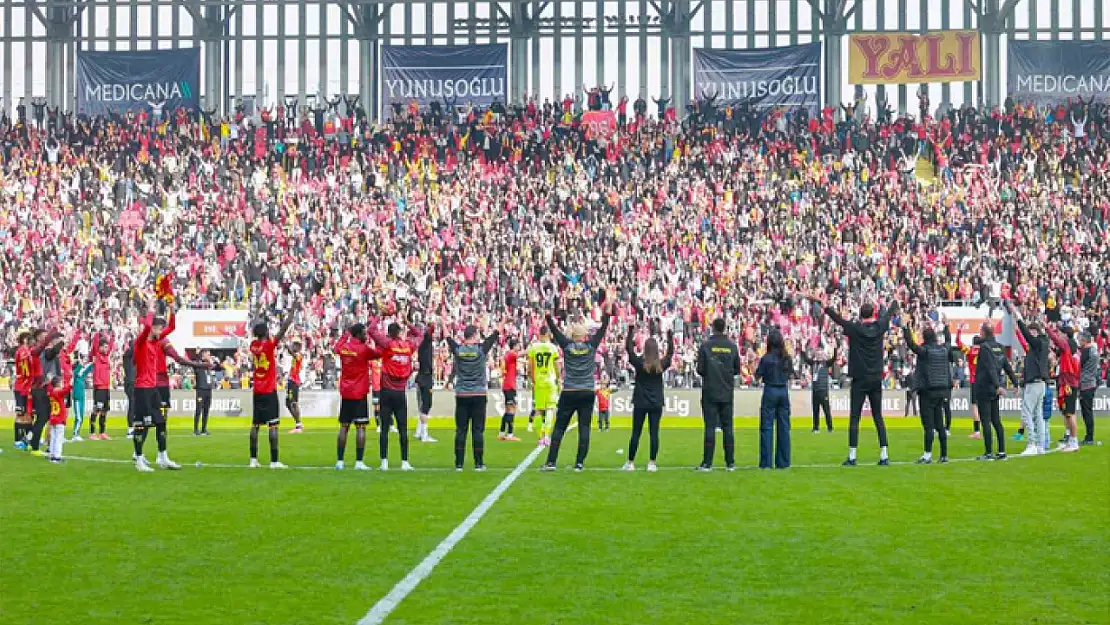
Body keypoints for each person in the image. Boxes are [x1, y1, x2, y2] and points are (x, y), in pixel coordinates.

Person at [825, 300, 898, 466]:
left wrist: (826, 307)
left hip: (859, 378)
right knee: (878, 416)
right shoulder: (880, 326)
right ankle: (884, 454)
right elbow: (889, 314)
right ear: (873, 313)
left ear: (860, 314)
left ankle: (852, 456)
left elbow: (838, 319)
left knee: (855, 417)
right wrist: (894, 303)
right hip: (875, 377)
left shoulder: (855, 329)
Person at [541, 303, 612, 472]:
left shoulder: (567, 345)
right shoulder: (591, 345)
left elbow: (555, 332)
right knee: (584, 428)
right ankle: (579, 463)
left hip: (570, 390)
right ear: (585, 335)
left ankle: (551, 462)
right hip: (587, 391)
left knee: (559, 427)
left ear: (573, 335)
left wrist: (548, 317)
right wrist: (607, 313)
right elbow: (603, 329)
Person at [367, 314, 421, 471]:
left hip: (386, 391)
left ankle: (384, 461)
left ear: (389, 333)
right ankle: (405, 461)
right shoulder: (408, 346)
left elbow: (371, 330)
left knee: (384, 428)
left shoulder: (387, 344)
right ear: (399, 332)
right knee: (403, 428)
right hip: (400, 392)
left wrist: (379, 315)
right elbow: (419, 335)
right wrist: (408, 322)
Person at [446, 323, 500, 471]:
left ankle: (459, 464)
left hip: (462, 394)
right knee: (477, 430)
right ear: (475, 335)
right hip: (479, 394)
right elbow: (495, 335)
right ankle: (478, 463)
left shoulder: (458, 350)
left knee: (461, 430)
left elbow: (448, 337)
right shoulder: (480, 350)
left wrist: (444, 325)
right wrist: (503, 322)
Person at [131, 312, 180, 472]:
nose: (160, 332)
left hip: (153, 390)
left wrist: (172, 309)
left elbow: (172, 327)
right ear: (151, 328)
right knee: (142, 425)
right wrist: (150, 310)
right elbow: (145, 329)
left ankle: (163, 456)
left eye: (160, 329)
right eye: (157, 329)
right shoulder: (140, 343)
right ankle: (139, 459)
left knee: (161, 422)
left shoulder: (155, 342)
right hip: (142, 390)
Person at [248, 307, 296, 469]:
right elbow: (282, 330)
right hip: (269, 391)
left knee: (255, 425)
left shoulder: (253, 346)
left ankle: (253, 460)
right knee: (273, 425)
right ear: (264, 333)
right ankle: (274, 461)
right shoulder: (268, 345)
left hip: (257, 391)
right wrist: (291, 314)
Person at [903, 322, 956, 464]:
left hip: (927, 392)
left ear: (925, 338)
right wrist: (946, 327)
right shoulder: (943, 350)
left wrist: (905, 328)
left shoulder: (925, 351)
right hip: (942, 391)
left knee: (928, 426)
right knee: (940, 424)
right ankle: (944, 455)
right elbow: (949, 342)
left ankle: (927, 455)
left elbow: (911, 344)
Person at [622, 323, 674, 472]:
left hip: (640, 402)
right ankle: (652, 463)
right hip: (656, 402)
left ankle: (630, 462)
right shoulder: (661, 364)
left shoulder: (640, 364)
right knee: (654, 433)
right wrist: (670, 337)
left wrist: (631, 331)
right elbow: (670, 354)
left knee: (636, 433)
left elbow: (629, 350)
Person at [1004, 300, 1051, 456]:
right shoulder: (1043, 344)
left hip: (1035, 384)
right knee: (1037, 414)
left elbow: (1026, 334)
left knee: (1026, 412)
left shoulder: (1038, 344)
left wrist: (1017, 317)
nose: (1030, 335)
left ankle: (1032, 443)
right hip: (1041, 384)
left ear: (1036, 332)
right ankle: (1040, 445)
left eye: (1032, 332)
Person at [333, 324, 381, 470]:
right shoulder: (364, 349)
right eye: (364, 333)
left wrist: (345, 333)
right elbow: (379, 352)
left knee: (344, 427)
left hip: (346, 392)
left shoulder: (344, 347)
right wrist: (375, 336)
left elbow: (336, 348)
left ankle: (340, 461)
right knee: (361, 428)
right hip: (359, 393)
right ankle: (359, 462)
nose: (366, 335)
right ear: (359, 334)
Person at [696, 318, 740, 471]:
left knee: (710, 427)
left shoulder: (706, 346)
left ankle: (707, 463)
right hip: (727, 392)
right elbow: (737, 370)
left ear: (713, 328)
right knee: (728, 427)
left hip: (710, 391)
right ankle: (730, 462)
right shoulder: (732, 347)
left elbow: (700, 369)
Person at [972, 323, 1019, 460]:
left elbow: (989, 368)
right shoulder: (999, 347)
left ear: (983, 332)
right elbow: (1006, 366)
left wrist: (997, 385)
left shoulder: (985, 348)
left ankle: (988, 453)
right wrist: (1015, 382)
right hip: (994, 388)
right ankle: (1002, 451)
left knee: (986, 421)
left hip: (985, 387)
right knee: (996, 420)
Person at [755, 329, 794, 469]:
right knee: (784, 428)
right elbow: (791, 375)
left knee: (766, 427)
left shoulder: (766, 358)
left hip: (770, 390)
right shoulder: (786, 358)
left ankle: (766, 463)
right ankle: (783, 462)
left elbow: (757, 375)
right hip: (783, 391)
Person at [1046, 323, 1081, 452]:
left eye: (1061, 334)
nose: (1059, 336)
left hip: (1068, 384)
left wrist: (1047, 329)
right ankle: (1072, 440)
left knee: (1070, 414)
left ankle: (1074, 442)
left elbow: (1056, 340)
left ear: (1066, 336)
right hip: (1071, 382)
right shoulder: (1074, 349)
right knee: (1069, 414)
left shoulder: (1066, 347)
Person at [526, 326, 561, 447]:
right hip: (550, 381)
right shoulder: (552, 347)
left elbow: (530, 366)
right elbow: (556, 365)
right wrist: (558, 378)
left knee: (538, 410)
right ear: (548, 334)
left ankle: (540, 437)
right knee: (550, 408)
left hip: (539, 382)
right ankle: (546, 435)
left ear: (539, 334)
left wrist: (531, 378)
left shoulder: (533, 347)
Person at [955, 328, 983, 440]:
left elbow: (958, 341)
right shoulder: (985, 350)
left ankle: (977, 431)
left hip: (974, 380)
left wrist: (959, 329)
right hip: (984, 380)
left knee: (975, 406)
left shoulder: (970, 351)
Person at [802, 344, 836, 433]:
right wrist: (803, 348)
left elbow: (834, 359)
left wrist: (835, 348)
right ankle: (816, 428)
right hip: (815, 390)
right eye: (817, 353)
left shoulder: (826, 363)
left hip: (823, 390)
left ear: (823, 354)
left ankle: (830, 427)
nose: (819, 355)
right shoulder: (813, 363)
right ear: (816, 355)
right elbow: (805, 358)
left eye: (820, 353)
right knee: (815, 411)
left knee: (826, 410)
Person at [414, 321, 438, 443]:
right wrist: (433, 324)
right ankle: (424, 434)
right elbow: (429, 332)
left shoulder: (421, 345)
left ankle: (419, 432)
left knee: (422, 406)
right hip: (426, 378)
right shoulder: (426, 342)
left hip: (421, 378)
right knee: (426, 406)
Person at [90, 331, 115, 440]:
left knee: (104, 410)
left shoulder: (106, 356)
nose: (106, 349)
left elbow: (111, 346)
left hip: (106, 387)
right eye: (104, 347)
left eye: (107, 347)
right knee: (97, 409)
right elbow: (95, 343)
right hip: (99, 387)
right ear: (99, 347)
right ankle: (92, 433)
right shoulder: (97, 355)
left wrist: (113, 337)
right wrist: (98, 333)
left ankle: (102, 432)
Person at [1077, 332, 1099, 445]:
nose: (1078, 342)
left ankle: (1089, 437)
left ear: (1084, 341)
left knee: (1086, 412)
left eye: (1079, 340)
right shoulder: (1094, 350)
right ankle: (1089, 436)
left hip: (1085, 384)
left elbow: (1078, 366)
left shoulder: (1086, 351)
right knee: (1088, 411)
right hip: (1092, 383)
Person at [498, 338, 521, 441]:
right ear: (515, 345)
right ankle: (510, 434)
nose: (519, 347)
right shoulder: (511, 353)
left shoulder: (509, 355)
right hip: (509, 385)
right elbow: (521, 355)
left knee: (508, 409)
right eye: (518, 345)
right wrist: (532, 349)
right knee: (512, 408)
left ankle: (502, 433)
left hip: (508, 385)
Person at [13, 331, 33, 449]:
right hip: (21, 386)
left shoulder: (27, 351)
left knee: (27, 414)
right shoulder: (22, 351)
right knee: (20, 413)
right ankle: (18, 439)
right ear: (24, 340)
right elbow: (25, 370)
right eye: (28, 339)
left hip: (26, 386)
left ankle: (27, 438)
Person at [47, 376, 73, 463]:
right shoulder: (58, 392)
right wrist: (71, 382)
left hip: (53, 417)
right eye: (61, 382)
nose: (62, 384)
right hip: (59, 418)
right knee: (59, 438)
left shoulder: (51, 392)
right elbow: (67, 390)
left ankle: (51, 454)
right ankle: (57, 457)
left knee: (53, 437)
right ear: (58, 384)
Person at [193, 349, 217, 436]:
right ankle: (195, 430)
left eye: (209, 354)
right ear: (203, 355)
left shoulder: (208, 366)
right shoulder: (199, 364)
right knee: (198, 409)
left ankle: (204, 429)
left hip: (208, 390)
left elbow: (217, 366)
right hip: (201, 390)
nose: (209, 356)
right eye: (208, 354)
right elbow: (194, 364)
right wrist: (198, 355)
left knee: (206, 410)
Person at [285, 341, 306, 434]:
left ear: (297, 347)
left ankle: (298, 425)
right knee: (288, 403)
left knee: (293, 403)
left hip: (294, 381)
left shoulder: (298, 355)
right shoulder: (296, 356)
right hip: (291, 381)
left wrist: (286, 346)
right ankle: (298, 423)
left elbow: (291, 353)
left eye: (294, 345)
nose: (292, 346)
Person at [71, 357, 92, 442]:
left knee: (81, 417)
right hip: (77, 399)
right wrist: (80, 364)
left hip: (82, 399)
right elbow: (76, 372)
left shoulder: (81, 376)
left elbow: (86, 370)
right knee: (78, 417)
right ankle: (75, 434)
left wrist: (92, 363)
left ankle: (77, 434)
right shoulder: (75, 375)